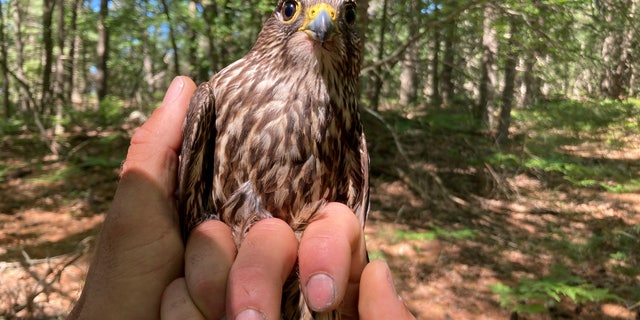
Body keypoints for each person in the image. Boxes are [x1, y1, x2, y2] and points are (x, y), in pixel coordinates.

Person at [68, 76, 415, 320]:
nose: (322, 20)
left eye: (348, 15)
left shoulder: (347, 123)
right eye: (292, 9)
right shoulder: (217, 95)